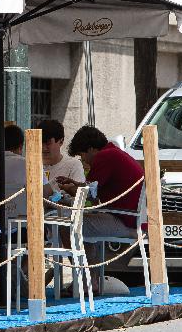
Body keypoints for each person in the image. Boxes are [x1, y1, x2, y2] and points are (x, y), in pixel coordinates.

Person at [55, 125, 146, 293]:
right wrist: (75, 184)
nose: (84, 161)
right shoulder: (113, 153)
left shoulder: (105, 156)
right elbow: (93, 188)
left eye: (82, 156)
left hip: (125, 219)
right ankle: (91, 281)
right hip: (131, 218)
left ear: (90, 149)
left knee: (67, 226)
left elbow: (88, 194)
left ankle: (85, 281)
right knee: (85, 229)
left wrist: (69, 189)